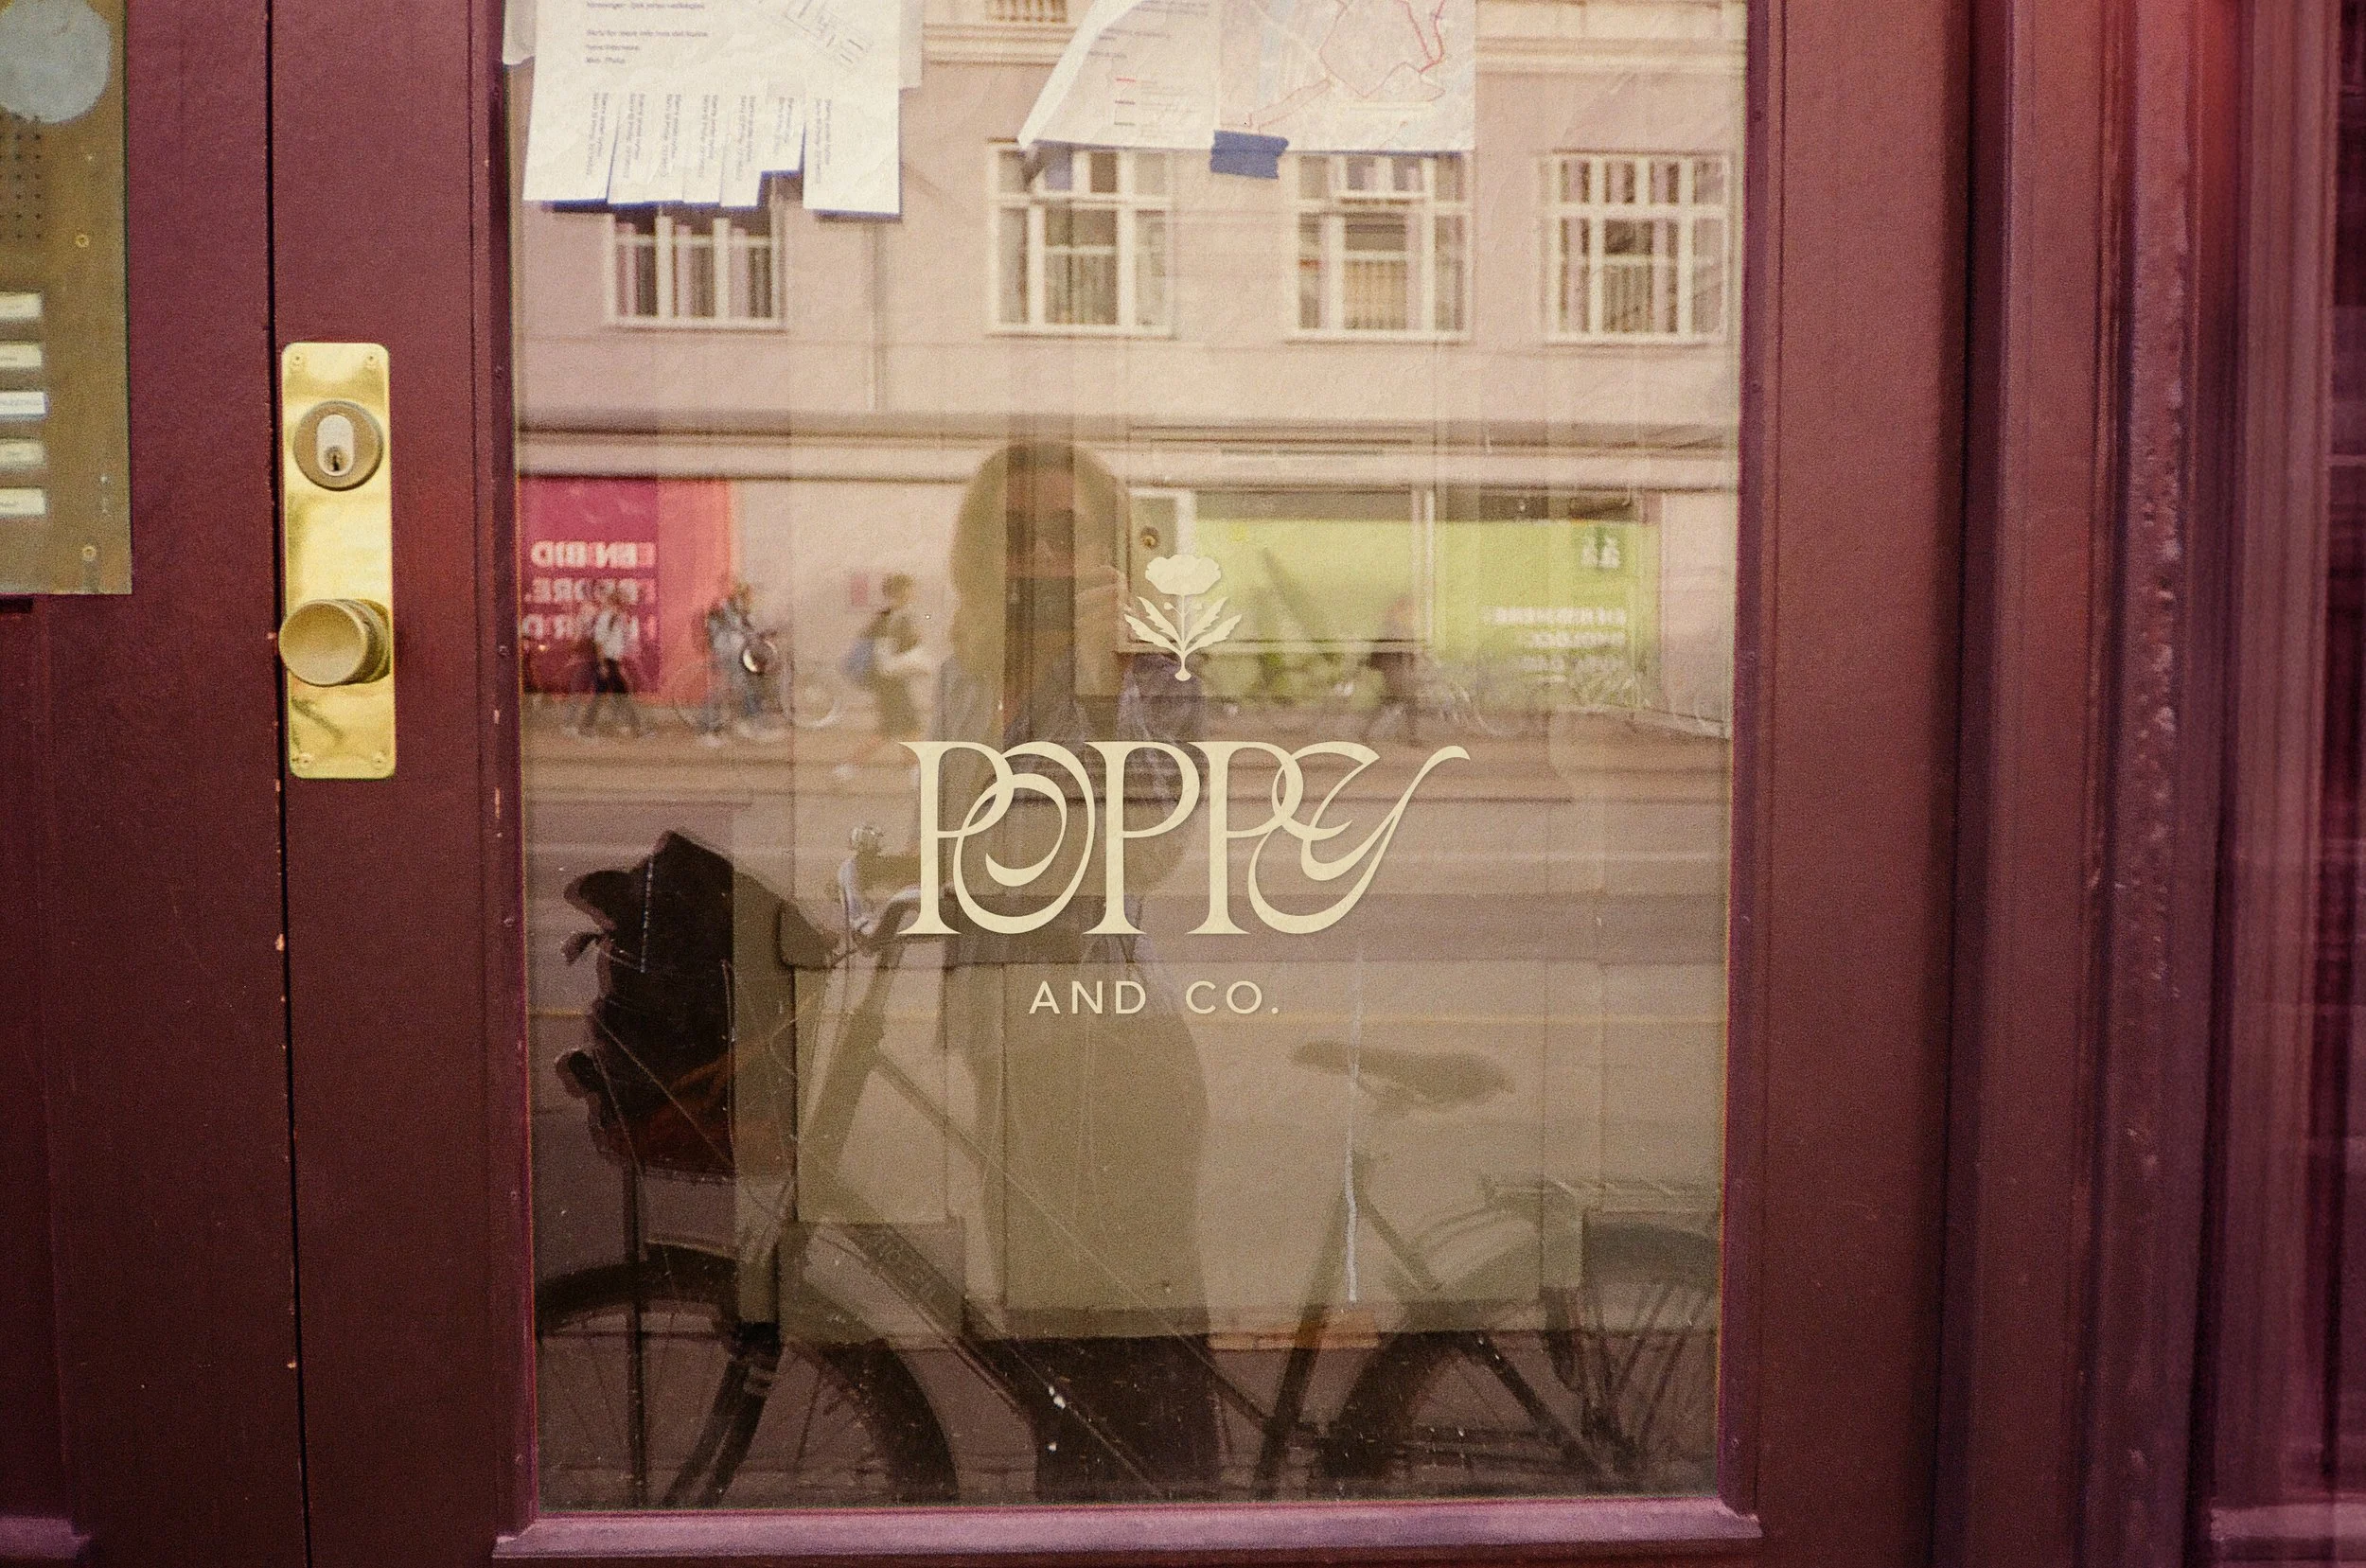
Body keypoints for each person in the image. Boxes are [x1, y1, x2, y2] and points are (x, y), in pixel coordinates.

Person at [927, 441, 1217, 1501]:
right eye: (1019, 535)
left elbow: (1146, 844)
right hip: (1005, 1034)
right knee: (1045, 1339)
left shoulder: (1156, 662)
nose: (1042, 557)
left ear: (1110, 552)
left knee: (1142, 1353)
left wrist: (1101, 677)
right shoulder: (966, 669)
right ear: (981, 553)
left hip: (1111, 1035)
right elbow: (956, 836)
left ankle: (1176, 1532)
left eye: (1068, 535)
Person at [833, 573, 926, 780]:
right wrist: (913, 641)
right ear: (901, 591)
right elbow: (890, 651)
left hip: (892, 682)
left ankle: (914, 770)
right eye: (910, 588)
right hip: (890, 683)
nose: (913, 593)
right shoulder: (893, 616)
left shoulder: (890, 615)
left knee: (909, 726)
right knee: (889, 729)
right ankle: (849, 767)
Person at [574, 584, 646, 738]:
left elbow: (616, 644)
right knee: (615, 695)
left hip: (612, 662)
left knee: (608, 695)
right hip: (607, 662)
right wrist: (603, 665)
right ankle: (636, 728)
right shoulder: (607, 618)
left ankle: (588, 727)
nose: (625, 605)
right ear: (617, 602)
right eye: (623, 602)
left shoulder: (617, 618)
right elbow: (599, 642)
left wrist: (617, 664)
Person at [1361, 592, 1422, 743]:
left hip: (1395, 671)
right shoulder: (1393, 627)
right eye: (1409, 609)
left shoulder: (1399, 626)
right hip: (1393, 671)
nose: (1412, 613)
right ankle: (1411, 737)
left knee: (1388, 702)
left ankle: (1366, 732)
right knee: (1409, 700)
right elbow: (1390, 650)